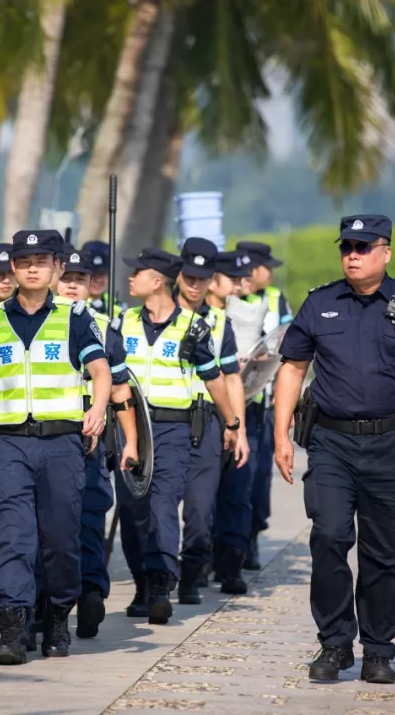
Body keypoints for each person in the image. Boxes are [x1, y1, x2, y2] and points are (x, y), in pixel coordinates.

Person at [273, 215, 395, 685]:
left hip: (393, 444)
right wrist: (280, 434)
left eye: (363, 247)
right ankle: (335, 643)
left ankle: (378, 649)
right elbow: (292, 369)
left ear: (386, 252)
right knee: (329, 536)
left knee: (386, 551)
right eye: (346, 247)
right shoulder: (320, 303)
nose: (352, 256)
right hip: (331, 443)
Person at [0, 229, 111, 665]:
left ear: (57, 267)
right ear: (13, 268)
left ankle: (56, 616)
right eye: (24, 262)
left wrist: (97, 410)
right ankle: (13, 629)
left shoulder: (75, 317)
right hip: (8, 443)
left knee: (60, 538)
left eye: (41, 261)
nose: (32, 269)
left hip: (61, 442)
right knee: (11, 536)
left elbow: (100, 370)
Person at [115, 247, 239, 624]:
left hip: (173, 428)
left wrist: (232, 422)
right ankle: (141, 583)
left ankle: (160, 583)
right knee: (132, 511)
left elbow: (214, 379)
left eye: (136, 273)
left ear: (156, 281)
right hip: (130, 425)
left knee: (163, 504)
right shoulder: (123, 322)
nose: (130, 278)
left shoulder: (193, 327)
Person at [53, 244, 139, 638]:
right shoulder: (25, 322)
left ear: (91, 285)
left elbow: (120, 390)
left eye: (80, 280)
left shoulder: (105, 327)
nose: (72, 286)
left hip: (90, 441)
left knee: (89, 519)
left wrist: (131, 441)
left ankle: (90, 592)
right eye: (66, 278)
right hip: (42, 436)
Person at [172, 238, 249, 605]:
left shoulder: (219, 323)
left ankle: (190, 576)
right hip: (162, 421)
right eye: (189, 276)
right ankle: (153, 580)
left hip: (207, 423)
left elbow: (232, 378)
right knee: (153, 513)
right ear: (178, 274)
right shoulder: (155, 315)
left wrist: (239, 429)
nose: (194, 284)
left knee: (201, 512)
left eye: (202, 278)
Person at [235, 240, 292, 571]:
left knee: (259, 476)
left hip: (263, 401)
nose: (269, 273)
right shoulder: (225, 294)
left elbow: (290, 346)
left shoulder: (276, 299)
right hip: (230, 401)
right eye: (266, 267)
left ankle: (252, 536)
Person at [210, 250, 260, 594]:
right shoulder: (193, 317)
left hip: (240, 411)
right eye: (233, 278)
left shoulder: (242, 313)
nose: (240, 285)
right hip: (201, 416)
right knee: (202, 498)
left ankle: (231, 564)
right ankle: (198, 561)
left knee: (236, 491)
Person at [82, 240, 124, 316]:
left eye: (101, 274)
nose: (97, 280)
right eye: (92, 274)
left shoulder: (119, 307)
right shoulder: (71, 302)